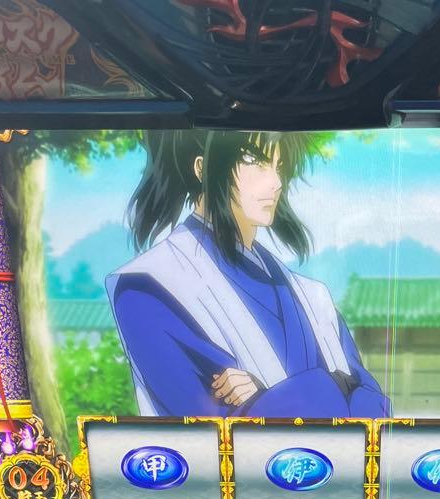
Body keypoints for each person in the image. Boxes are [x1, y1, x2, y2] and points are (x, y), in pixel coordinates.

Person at [107, 130, 391, 419]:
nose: (276, 182)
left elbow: (375, 408)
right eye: (256, 162)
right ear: (202, 169)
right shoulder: (147, 286)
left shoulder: (313, 296)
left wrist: (269, 396)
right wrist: (337, 385)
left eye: (279, 166)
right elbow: (211, 425)